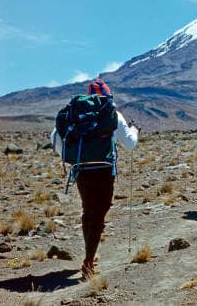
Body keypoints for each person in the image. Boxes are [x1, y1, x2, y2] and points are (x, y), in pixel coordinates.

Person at [51, 78, 138, 278]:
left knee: (88, 210)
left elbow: (56, 139)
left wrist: (75, 156)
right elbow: (131, 144)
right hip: (104, 170)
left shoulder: (73, 113)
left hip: (81, 169)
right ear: (107, 94)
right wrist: (134, 131)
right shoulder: (111, 113)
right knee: (99, 213)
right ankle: (89, 260)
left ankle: (90, 253)